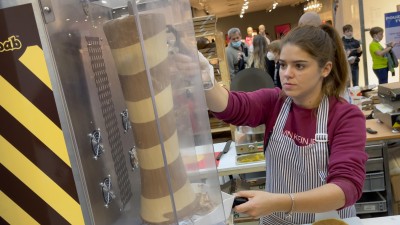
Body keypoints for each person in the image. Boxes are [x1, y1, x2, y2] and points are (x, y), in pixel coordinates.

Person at [202, 25, 367, 224]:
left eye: (299, 66)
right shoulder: (274, 102)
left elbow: (346, 188)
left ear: (325, 69)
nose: (287, 74)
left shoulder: (345, 116)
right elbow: (231, 107)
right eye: (282, 65)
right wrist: (206, 81)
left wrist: (280, 202)